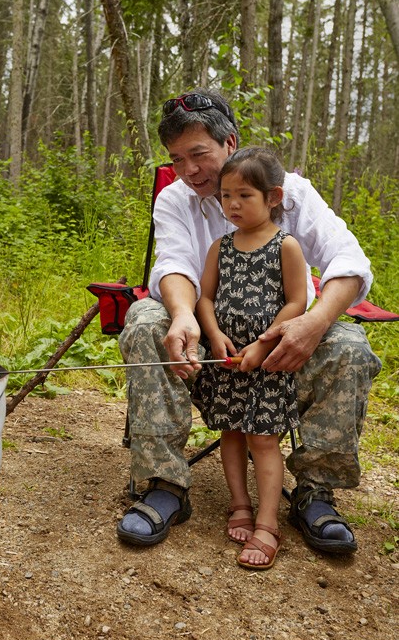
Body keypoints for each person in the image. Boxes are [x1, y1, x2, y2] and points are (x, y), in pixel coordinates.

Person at [116, 87, 382, 554]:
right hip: (209, 334)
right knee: (144, 323)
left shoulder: (291, 193)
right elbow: (173, 266)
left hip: (283, 335)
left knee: (349, 346)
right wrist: (183, 315)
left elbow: (349, 261)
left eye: (198, 154)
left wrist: (313, 323)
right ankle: (163, 484)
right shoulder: (176, 199)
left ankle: (315, 491)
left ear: (230, 143)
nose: (188, 171)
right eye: (176, 160)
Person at [194, 147, 307, 569]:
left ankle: (267, 522)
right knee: (231, 432)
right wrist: (215, 334)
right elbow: (205, 297)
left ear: (273, 197)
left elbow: (297, 301)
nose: (233, 205)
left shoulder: (286, 246)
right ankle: (239, 503)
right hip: (227, 360)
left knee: (262, 438)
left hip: (267, 360)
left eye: (244, 196)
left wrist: (262, 343)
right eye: (225, 196)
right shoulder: (220, 247)